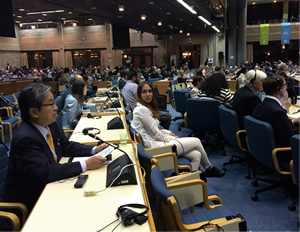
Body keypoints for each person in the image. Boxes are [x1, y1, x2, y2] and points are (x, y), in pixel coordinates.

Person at [2, 83, 108, 215]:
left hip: (51, 188)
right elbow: (45, 172)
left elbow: (66, 146)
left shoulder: (49, 125)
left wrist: (94, 150)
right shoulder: (25, 139)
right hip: (30, 203)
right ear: (34, 112)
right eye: (50, 104)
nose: (56, 108)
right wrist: (86, 164)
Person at [131, 82, 225, 177]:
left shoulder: (144, 108)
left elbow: (153, 130)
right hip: (155, 148)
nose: (148, 94)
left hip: (156, 143)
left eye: (150, 91)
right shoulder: (142, 110)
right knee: (196, 141)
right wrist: (171, 138)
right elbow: (155, 135)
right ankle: (210, 168)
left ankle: (187, 179)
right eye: (144, 92)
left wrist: (168, 132)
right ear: (139, 94)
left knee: (196, 155)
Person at [252, 75, 299, 170]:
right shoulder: (278, 112)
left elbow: (278, 128)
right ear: (279, 88)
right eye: (285, 84)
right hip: (281, 155)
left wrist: (293, 122)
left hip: (263, 151)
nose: (286, 87)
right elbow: (288, 139)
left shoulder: (260, 105)